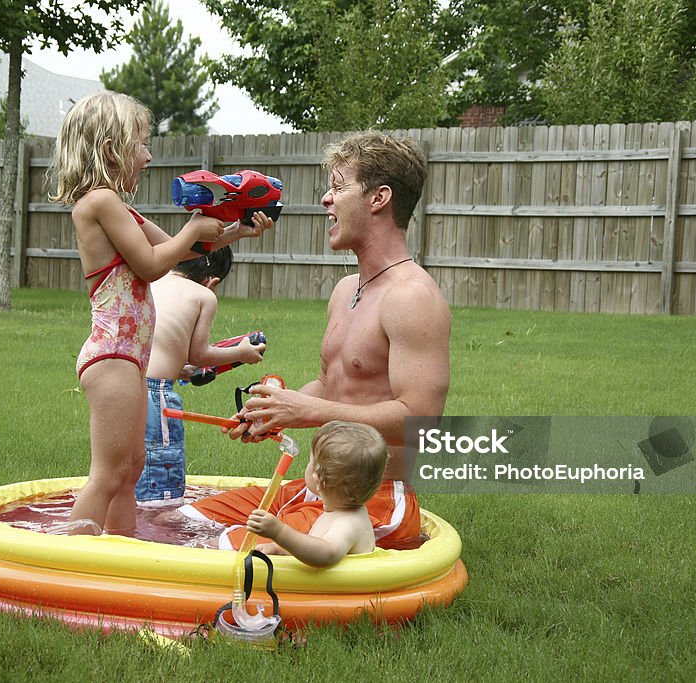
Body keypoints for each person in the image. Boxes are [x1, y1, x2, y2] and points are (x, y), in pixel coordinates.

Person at [178, 130, 451, 549]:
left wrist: (308, 410)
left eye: (339, 186)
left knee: (225, 547)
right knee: (182, 521)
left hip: (369, 502)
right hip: (316, 491)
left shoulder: (412, 297)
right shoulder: (346, 290)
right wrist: (270, 411)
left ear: (379, 198)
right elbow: (328, 385)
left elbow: (421, 421)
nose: (326, 198)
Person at [48, 91, 272, 535]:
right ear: (112, 149)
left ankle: (121, 552)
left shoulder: (120, 208)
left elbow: (188, 249)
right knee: (108, 473)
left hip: (131, 357)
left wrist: (237, 232)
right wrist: (192, 229)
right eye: (142, 144)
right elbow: (152, 265)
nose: (148, 156)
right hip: (111, 354)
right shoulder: (98, 203)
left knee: (130, 470)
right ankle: (64, 562)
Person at [137, 247, 266, 506]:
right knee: (160, 473)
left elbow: (157, 341)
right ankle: (156, 531)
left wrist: (178, 369)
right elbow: (198, 354)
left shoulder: (155, 280)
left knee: (131, 465)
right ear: (212, 281)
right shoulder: (203, 295)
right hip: (154, 394)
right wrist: (240, 352)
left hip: (125, 382)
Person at [245, 421, 387, 567]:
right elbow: (312, 546)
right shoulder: (342, 513)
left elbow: (326, 554)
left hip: (336, 590)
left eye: (310, 460)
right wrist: (279, 548)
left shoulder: (348, 523)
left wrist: (279, 532)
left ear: (318, 478)